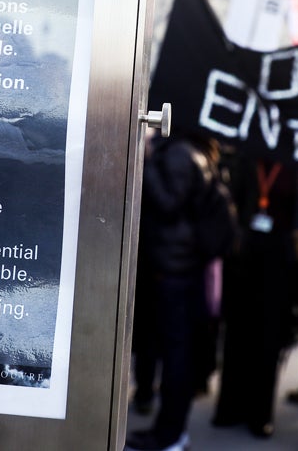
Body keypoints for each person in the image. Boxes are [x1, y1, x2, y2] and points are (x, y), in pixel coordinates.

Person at [126, 132, 222, 451]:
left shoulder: (180, 152)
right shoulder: (193, 150)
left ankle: (170, 435)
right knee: (176, 352)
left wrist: (148, 157)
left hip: (175, 269)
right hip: (179, 266)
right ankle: (169, 432)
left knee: (176, 355)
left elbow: (168, 203)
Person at [212, 154, 298, 438]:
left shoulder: (294, 159)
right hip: (244, 258)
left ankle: (260, 414)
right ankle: (230, 407)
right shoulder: (246, 155)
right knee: (238, 333)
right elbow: (230, 199)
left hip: (278, 262)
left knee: (268, 339)